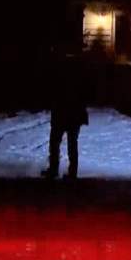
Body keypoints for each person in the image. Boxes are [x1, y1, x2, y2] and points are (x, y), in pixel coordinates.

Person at [42, 52, 89, 180]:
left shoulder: (60, 75)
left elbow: (55, 93)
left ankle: (54, 169)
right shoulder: (79, 75)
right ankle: (71, 171)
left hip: (63, 113)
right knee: (71, 143)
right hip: (73, 114)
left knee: (56, 142)